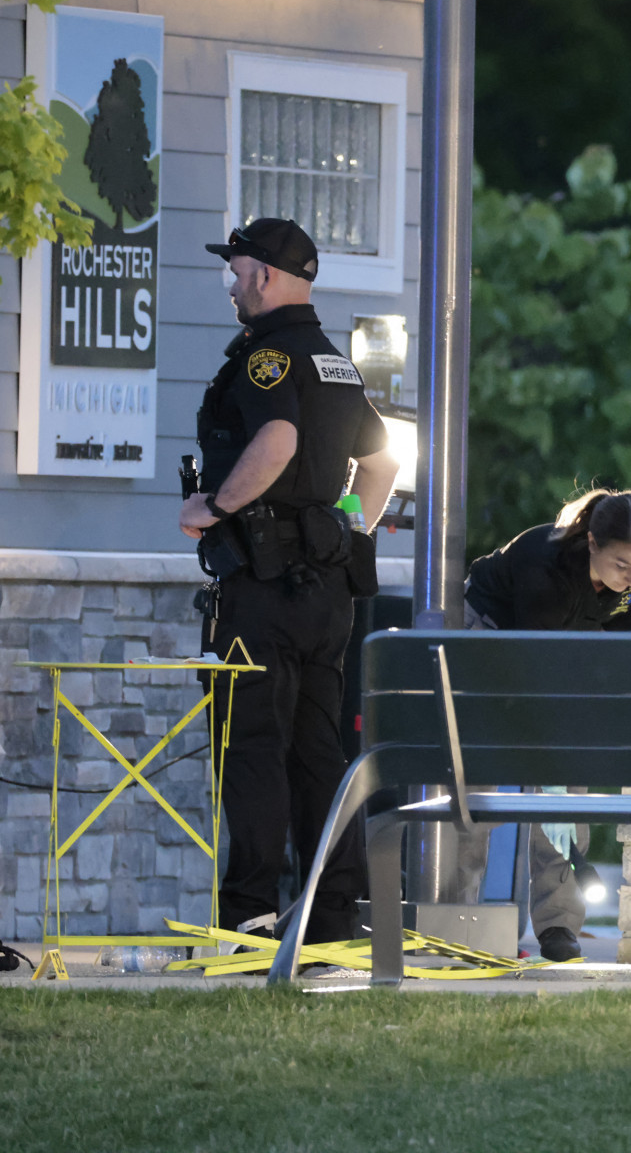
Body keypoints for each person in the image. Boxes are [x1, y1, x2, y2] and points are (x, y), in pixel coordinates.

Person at [182, 218, 398, 949]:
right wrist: (345, 532)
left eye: (236, 272)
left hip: (264, 587)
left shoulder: (267, 360)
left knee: (251, 745)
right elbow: (381, 466)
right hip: (326, 594)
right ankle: (332, 921)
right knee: (317, 755)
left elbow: (277, 441)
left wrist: (214, 506)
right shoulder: (335, 362)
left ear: (266, 276)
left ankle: (250, 918)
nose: (232, 286)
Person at [457, 489, 631, 961]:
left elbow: (606, 650)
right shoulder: (543, 564)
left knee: (568, 784)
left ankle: (558, 924)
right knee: (474, 781)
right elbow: (537, 671)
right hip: (489, 637)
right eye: (622, 565)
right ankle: (456, 915)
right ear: (591, 542)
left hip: (557, 651)